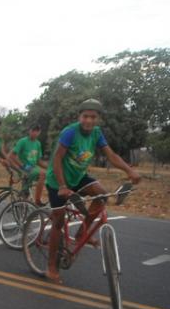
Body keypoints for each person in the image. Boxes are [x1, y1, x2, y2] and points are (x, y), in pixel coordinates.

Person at [45, 99, 141, 284]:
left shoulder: (97, 133)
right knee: (58, 221)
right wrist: (63, 186)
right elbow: (57, 159)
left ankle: (82, 232)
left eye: (93, 117)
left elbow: (111, 155)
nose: (88, 120)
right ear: (79, 117)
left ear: (98, 118)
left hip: (79, 177)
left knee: (101, 195)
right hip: (58, 180)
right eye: (85, 116)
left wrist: (129, 170)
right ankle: (51, 266)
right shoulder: (70, 132)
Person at [8, 123, 47, 206]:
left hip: (33, 168)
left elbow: (38, 161)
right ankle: (37, 200)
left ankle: (23, 197)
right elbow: (12, 156)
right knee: (42, 174)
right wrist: (22, 165)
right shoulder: (23, 141)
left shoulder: (38, 143)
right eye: (33, 131)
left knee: (46, 174)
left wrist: (50, 167)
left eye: (37, 131)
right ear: (29, 131)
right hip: (24, 167)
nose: (35, 133)